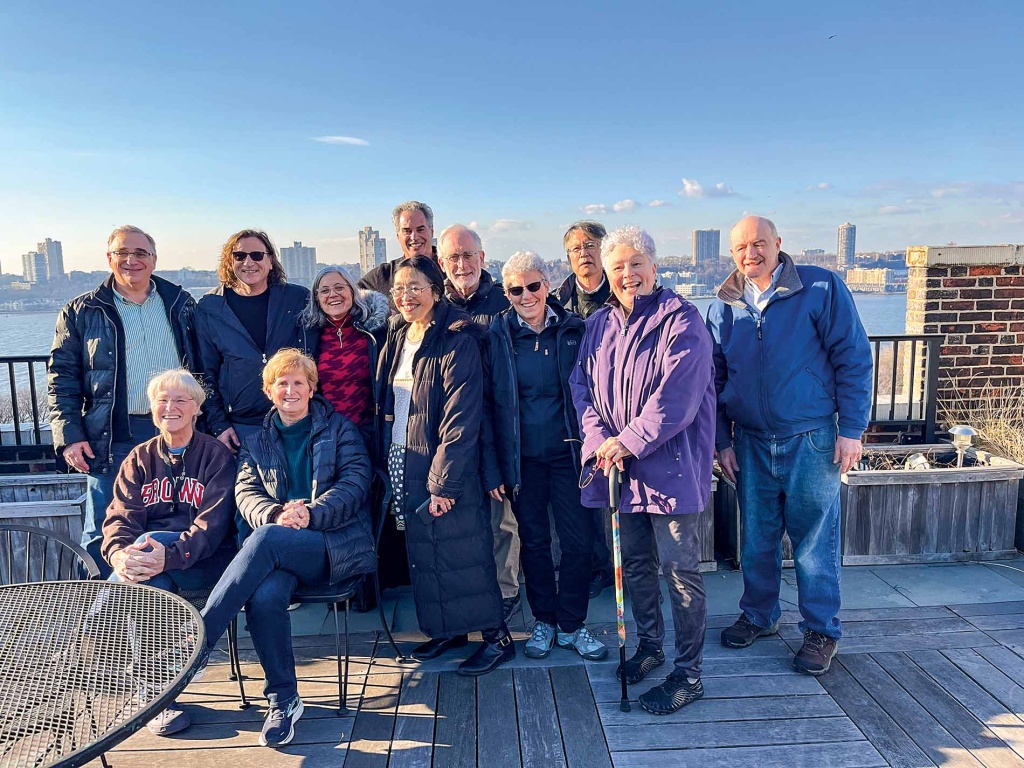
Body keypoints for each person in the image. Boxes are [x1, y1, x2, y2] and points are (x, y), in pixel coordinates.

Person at [707, 216, 872, 676]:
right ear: (732, 253)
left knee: (814, 541)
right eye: (741, 247)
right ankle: (759, 614)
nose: (751, 253)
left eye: (760, 243)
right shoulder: (723, 305)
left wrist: (851, 429)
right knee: (756, 538)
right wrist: (722, 441)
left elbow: (854, 358)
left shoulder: (820, 288)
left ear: (778, 243)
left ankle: (821, 630)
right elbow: (712, 381)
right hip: (750, 441)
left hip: (812, 438)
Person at [570, 225, 716, 715]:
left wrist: (626, 441)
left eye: (636, 264)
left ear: (654, 266)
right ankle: (650, 647)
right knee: (633, 564)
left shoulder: (683, 320)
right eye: (618, 267)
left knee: (680, 571)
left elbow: (678, 399)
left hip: (671, 469)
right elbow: (582, 389)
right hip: (620, 470)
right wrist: (600, 442)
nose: (628, 274)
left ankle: (689, 674)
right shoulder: (599, 324)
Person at [200, 348, 374, 747]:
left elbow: (355, 484)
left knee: (263, 539)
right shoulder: (256, 441)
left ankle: (201, 641)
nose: (290, 390)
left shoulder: (341, 430)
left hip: (331, 546)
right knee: (264, 595)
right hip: (278, 548)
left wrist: (310, 514)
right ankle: (284, 700)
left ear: (312, 388)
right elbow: (246, 493)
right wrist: (277, 513)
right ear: (268, 391)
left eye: (299, 382)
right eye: (282, 383)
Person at [375, 255, 515, 675]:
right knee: (426, 552)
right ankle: (449, 629)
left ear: (436, 291)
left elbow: (461, 418)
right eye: (399, 288)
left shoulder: (458, 338)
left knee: (463, 552)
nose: (406, 296)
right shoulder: (399, 334)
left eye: (415, 287)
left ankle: (497, 638)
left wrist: (443, 484)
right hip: (403, 457)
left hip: (445, 466)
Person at [48, 224, 197, 577]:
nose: (132, 260)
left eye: (140, 253)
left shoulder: (181, 304)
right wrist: (70, 436)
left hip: (178, 433)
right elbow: (61, 379)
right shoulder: (82, 311)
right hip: (113, 435)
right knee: (105, 527)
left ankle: (164, 603)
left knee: (176, 522)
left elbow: (205, 364)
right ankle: (100, 607)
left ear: (154, 259)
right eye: (123, 253)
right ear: (109, 258)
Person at [102, 369, 236, 736]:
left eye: (180, 400)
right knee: (151, 580)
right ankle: (160, 697)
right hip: (152, 571)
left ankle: (102, 620)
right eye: (162, 400)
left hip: (205, 564)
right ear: (152, 408)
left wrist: (168, 553)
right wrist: (119, 556)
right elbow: (119, 519)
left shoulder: (216, 456)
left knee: (152, 542)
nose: (170, 407)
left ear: (196, 408)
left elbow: (212, 528)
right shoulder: (139, 458)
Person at [488, 251, 605, 661]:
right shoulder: (497, 336)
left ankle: (572, 623)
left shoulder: (574, 329)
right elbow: (487, 406)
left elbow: (598, 388)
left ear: (547, 285)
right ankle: (544, 621)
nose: (526, 296)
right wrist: (493, 467)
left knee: (578, 542)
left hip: (569, 456)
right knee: (534, 542)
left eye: (533, 286)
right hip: (522, 460)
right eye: (515, 290)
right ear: (506, 294)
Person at [437, 224, 521, 621]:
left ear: (482, 258)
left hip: (499, 423)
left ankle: (506, 591)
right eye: (453, 257)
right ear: (442, 263)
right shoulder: (435, 307)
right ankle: (468, 594)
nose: (462, 264)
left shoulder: (505, 302)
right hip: (453, 427)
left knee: (502, 518)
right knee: (460, 521)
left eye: (468, 255)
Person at [194, 229, 309, 452]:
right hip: (240, 427)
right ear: (230, 261)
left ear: (270, 261)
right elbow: (204, 371)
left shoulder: (296, 299)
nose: (248, 262)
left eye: (257, 255)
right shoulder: (210, 307)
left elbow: (313, 356)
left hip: (294, 420)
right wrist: (219, 425)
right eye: (239, 256)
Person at [556, 220, 615, 599]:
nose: (584, 254)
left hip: (618, 412)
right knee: (585, 500)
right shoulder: (558, 303)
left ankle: (634, 571)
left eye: (590, 245)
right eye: (576, 248)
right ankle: (597, 568)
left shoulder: (624, 292)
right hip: (573, 415)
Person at [300, 266, 389, 442]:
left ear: (352, 291)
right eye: (325, 290)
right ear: (317, 298)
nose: (333, 294)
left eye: (339, 287)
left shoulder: (376, 329)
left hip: (371, 433)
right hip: (327, 434)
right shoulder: (308, 335)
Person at [358, 200, 437, 302]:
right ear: (398, 236)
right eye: (407, 231)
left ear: (431, 231)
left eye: (420, 229)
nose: (414, 237)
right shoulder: (384, 275)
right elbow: (350, 296)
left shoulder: (450, 268)